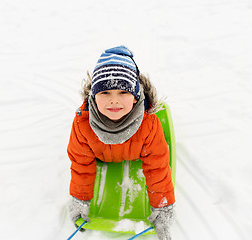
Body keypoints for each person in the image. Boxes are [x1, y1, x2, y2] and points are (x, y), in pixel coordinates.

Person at [67, 46, 175, 240]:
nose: (114, 101)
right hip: (101, 156)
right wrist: (79, 200)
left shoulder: (148, 125)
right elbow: (81, 165)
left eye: (123, 93)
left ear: (135, 96)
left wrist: (162, 206)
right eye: (105, 93)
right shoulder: (83, 125)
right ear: (93, 95)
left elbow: (158, 166)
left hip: (135, 154)